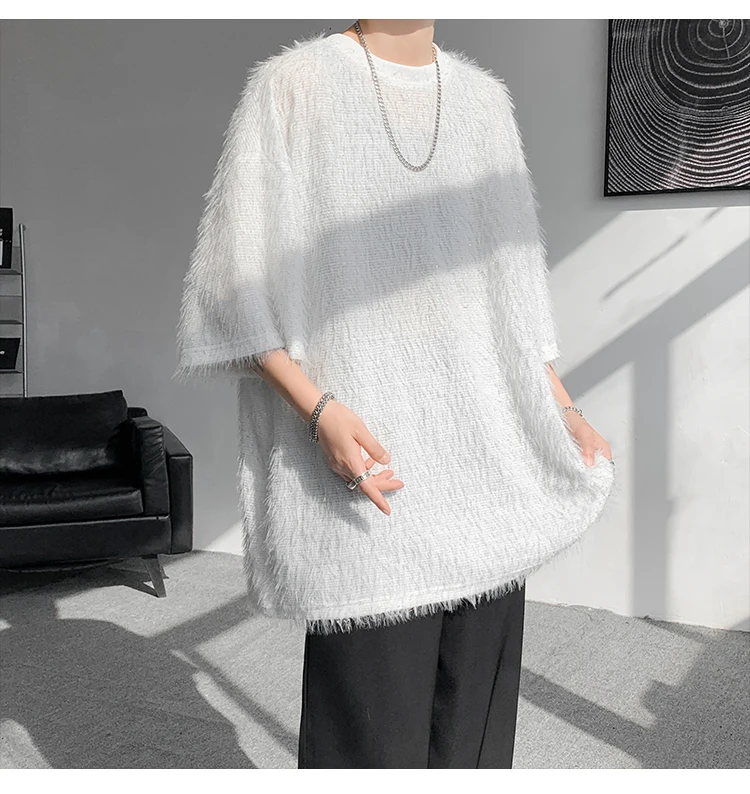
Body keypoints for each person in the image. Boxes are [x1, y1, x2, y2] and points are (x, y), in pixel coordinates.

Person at [174, 19, 615, 768]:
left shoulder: (485, 103)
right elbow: (231, 285)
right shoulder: (294, 86)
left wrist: (562, 408)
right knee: (370, 742)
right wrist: (319, 411)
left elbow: (513, 288)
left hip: (487, 466)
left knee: (474, 742)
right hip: (374, 466)